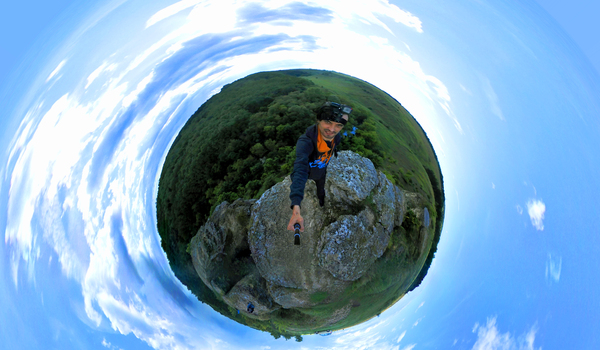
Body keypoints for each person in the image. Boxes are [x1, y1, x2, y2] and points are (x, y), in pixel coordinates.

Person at [287, 102, 352, 232]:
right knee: (301, 187)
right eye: (328, 122)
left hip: (321, 173)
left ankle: (321, 203)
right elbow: (301, 168)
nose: (332, 129)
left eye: (338, 125)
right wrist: (296, 205)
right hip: (307, 173)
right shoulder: (306, 142)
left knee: (321, 192)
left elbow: (333, 145)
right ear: (318, 120)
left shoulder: (336, 137)